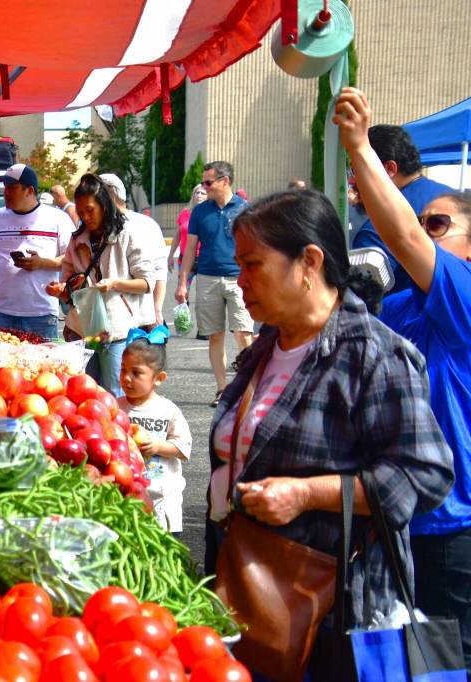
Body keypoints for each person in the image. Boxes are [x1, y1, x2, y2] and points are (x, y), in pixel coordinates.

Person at [204, 187, 453, 671]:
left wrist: (306, 494)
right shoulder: (268, 344)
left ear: (309, 262)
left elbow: (425, 476)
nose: (240, 281)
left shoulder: (372, 355)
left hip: (329, 612)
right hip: (250, 586)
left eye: (253, 265)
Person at [337, 86, 471, 668]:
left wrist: (359, 148)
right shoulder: (402, 306)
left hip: (451, 525)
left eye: (439, 224)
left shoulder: (463, 295)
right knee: (391, 659)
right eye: (424, 223)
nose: (424, 231)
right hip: (389, 517)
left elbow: (402, 237)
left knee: (445, 664)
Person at [45, 174, 156, 396]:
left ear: (104, 206)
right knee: (88, 392)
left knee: (117, 393)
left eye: (90, 210)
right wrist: (60, 291)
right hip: (85, 330)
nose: (86, 217)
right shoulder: (77, 240)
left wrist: (115, 283)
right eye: (81, 211)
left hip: (119, 330)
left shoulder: (128, 233)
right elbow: (69, 285)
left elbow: (146, 283)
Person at [174, 161, 254, 407]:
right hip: (207, 277)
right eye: (204, 183)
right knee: (215, 335)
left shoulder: (245, 209)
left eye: (208, 182)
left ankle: (246, 389)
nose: (204, 187)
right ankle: (222, 390)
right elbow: (189, 250)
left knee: (243, 333)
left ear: (225, 181)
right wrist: (182, 282)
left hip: (238, 278)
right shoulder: (200, 211)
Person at [350, 123, 453, 295]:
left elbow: (362, 300)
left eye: (356, 169)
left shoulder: (380, 228)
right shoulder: (456, 201)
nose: (353, 180)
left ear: (389, 169)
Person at [0, 164, 73, 340]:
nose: (6, 192)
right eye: (5, 187)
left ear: (29, 190)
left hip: (41, 315)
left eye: (12, 188)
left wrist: (42, 263)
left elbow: (72, 260)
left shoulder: (58, 219)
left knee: (42, 367)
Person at [117, 327, 192, 535]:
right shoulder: (116, 407)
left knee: (165, 548)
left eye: (136, 373)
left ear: (159, 378)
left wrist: (157, 446)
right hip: (127, 494)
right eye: (123, 370)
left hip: (163, 497)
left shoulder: (168, 410)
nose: (127, 378)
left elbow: (183, 447)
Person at [99, 173, 168, 325]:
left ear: (113, 193)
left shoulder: (144, 224)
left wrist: (156, 309)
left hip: (142, 313)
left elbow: (159, 270)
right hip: (107, 316)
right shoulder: (96, 226)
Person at [168, 183, 206, 300]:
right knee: (182, 295)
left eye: (202, 193)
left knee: (205, 295)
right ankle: (185, 318)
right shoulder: (185, 213)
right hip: (185, 259)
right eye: (196, 192)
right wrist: (170, 256)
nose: (199, 195)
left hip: (204, 260)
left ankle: (203, 318)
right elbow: (177, 236)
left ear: (208, 196)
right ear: (193, 195)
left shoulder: (209, 214)